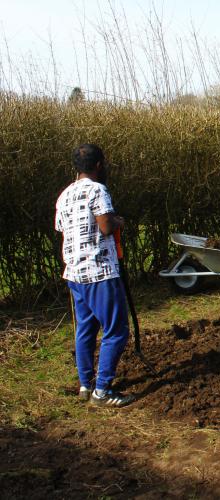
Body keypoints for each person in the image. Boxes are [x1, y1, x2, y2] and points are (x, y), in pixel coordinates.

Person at [55, 144, 135, 407]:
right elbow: (105, 227)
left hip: (75, 274)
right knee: (116, 330)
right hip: (99, 272)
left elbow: (62, 229)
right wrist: (118, 222)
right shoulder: (98, 190)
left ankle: (84, 384)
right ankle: (102, 391)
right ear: (99, 165)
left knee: (86, 329)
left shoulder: (64, 195)